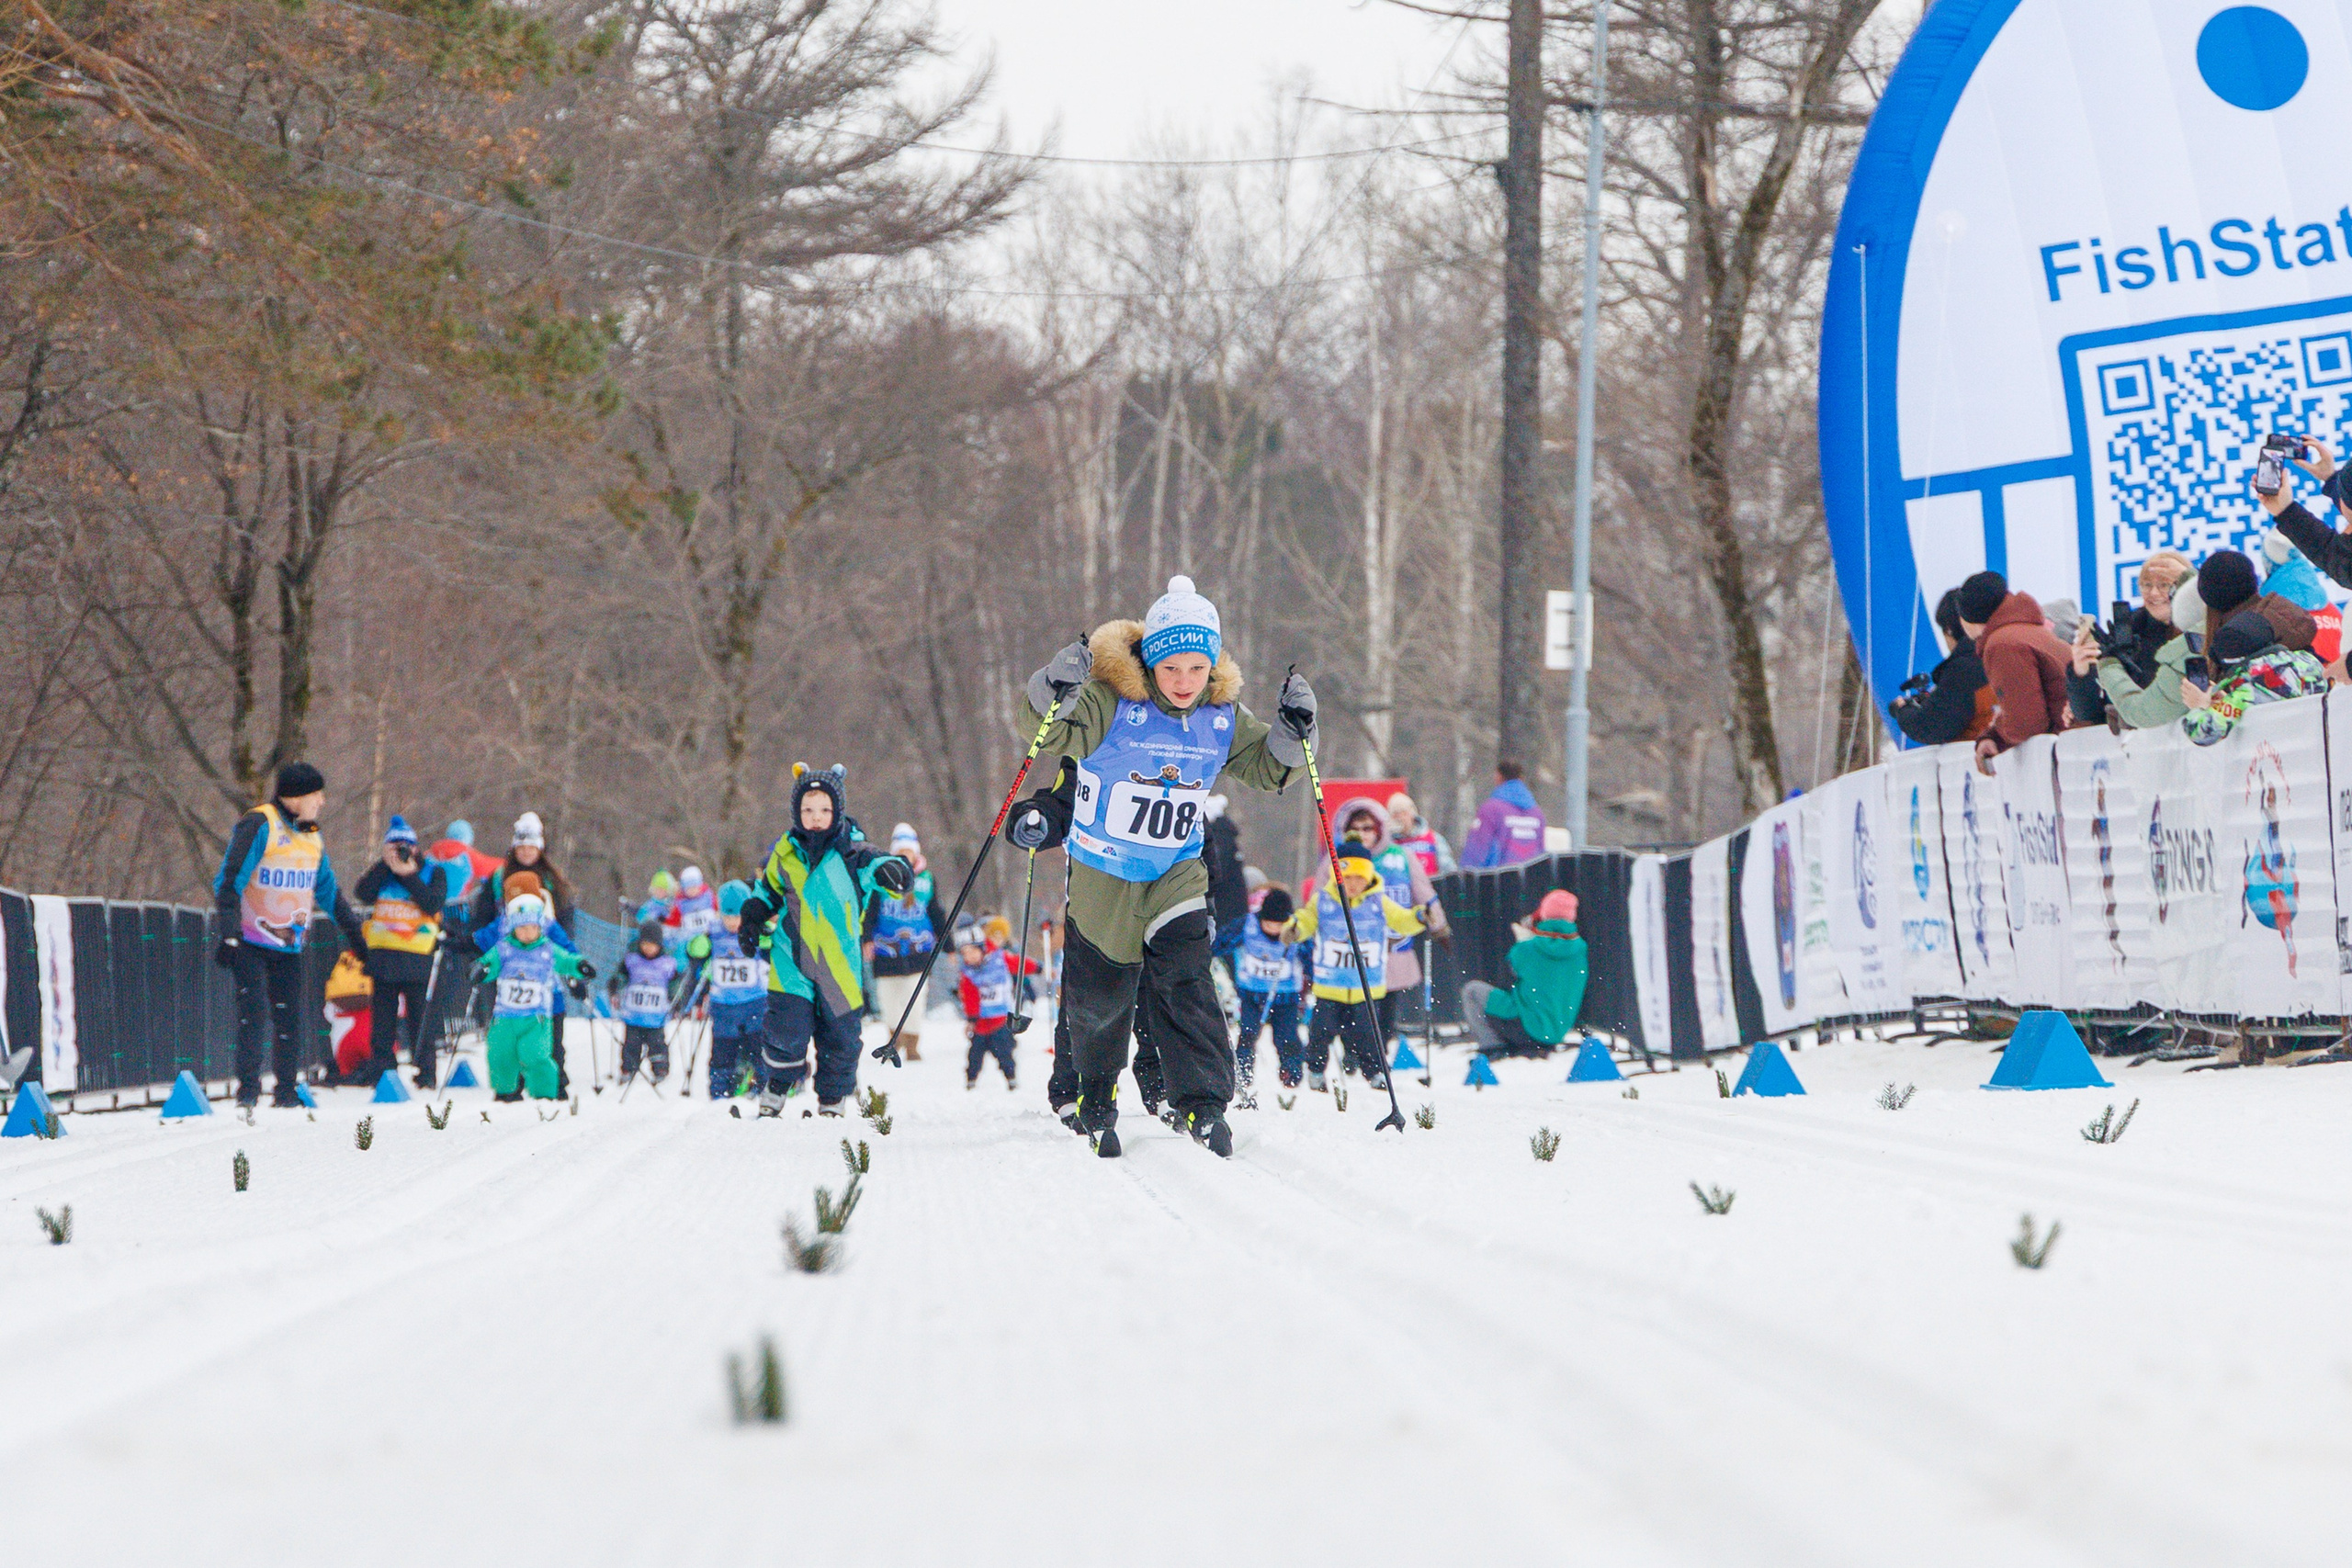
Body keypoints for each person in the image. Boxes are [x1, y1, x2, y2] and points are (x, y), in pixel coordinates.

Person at [1008, 575, 1316, 1159]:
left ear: (1212, 666)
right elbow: (1043, 732)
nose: (1184, 682)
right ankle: (1093, 1096)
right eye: (1171, 668)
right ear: (1150, 659)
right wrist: (1054, 687)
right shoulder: (1110, 701)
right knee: (1103, 992)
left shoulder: (1221, 716)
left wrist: (1296, 731)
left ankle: (1202, 1099)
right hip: (1104, 872)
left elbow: (1270, 768)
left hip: (1176, 869)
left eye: (1197, 669)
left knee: (1186, 975)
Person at [736, 765, 911, 1117]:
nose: (816, 819)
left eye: (824, 811)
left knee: (841, 1039)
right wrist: (752, 914)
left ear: (838, 812)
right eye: (808, 811)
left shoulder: (855, 853)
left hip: (839, 964)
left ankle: (832, 1100)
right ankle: (776, 1087)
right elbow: (768, 890)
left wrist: (897, 871)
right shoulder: (785, 853)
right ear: (797, 813)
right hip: (792, 959)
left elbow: (883, 866)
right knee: (787, 1032)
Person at [212, 762, 367, 1108]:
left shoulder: (311, 835)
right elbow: (229, 879)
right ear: (296, 797)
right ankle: (248, 1093)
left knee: (289, 1017)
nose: (322, 802)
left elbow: (328, 891)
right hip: (250, 940)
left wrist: (358, 938)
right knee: (252, 1014)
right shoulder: (260, 823)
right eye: (317, 794)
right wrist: (229, 932)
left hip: (288, 945)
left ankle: (286, 1091)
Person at [1285, 841, 1423, 1090]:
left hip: (1366, 987)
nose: (1353, 884)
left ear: (1369, 877)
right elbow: (1306, 920)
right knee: (1321, 1032)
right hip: (1330, 986)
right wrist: (1294, 928)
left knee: (1368, 1036)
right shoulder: (1324, 901)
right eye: (1347, 878)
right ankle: (1316, 1070)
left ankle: (1375, 1072)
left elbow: (1402, 921)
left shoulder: (1378, 902)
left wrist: (1418, 917)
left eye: (1360, 878)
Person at [1327, 795, 1446, 1057]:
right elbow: (1318, 897)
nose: (1362, 834)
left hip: (1392, 947)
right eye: (1355, 829)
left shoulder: (1400, 856)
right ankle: (1354, 1053)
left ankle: (1379, 1055)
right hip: (1350, 951)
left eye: (1367, 828)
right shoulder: (1336, 858)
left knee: (1386, 1007)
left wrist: (1438, 924)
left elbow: (1424, 892)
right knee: (1351, 1007)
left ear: (1379, 828)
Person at [469, 813, 580, 1096]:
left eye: (531, 846)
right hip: (508, 961)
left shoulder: (553, 881)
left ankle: (554, 1081)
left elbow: (564, 922)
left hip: (543, 959)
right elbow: (484, 919)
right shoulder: (498, 878)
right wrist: (477, 950)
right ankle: (511, 1082)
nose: (526, 851)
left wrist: (572, 961)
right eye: (522, 846)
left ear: (540, 848)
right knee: (509, 1024)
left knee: (549, 1020)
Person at [354, 815, 449, 1089]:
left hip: (417, 957)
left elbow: (432, 903)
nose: (402, 852)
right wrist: (385, 865)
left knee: (420, 1018)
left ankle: (426, 1072)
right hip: (384, 957)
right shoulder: (382, 873)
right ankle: (383, 1071)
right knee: (382, 1020)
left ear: (417, 848)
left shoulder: (433, 872)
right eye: (395, 847)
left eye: (406, 846)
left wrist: (408, 876)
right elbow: (363, 893)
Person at [474, 891, 592, 1100]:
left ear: (539, 927)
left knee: (536, 1055)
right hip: (504, 1017)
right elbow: (489, 963)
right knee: (500, 1055)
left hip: (535, 1018)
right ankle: (505, 1091)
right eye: (522, 928)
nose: (527, 932)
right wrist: (480, 969)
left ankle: (545, 1094)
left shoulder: (547, 949)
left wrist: (580, 966)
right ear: (513, 928)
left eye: (532, 927)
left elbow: (566, 960)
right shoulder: (504, 949)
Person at [1957, 571, 2072, 769]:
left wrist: (1997, 739)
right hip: (2077, 738)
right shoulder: (2028, 631)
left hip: (2066, 753)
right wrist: (1993, 735)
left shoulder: (2002, 644)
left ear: (1967, 618)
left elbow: (2026, 721)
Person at [2068, 551, 2193, 731]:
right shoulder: (2123, 635)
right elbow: (2090, 715)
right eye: (2146, 585)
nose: (2153, 593)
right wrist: (2081, 674)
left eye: (2164, 585)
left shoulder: (2204, 628)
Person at [1462, 889, 1589, 1058]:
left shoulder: (1528, 948)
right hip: (1556, 1031)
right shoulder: (1580, 950)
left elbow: (1509, 973)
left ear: (1543, 913)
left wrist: (1525, 938)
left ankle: (1492, 1047)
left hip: (1525, 1026)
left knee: (1472, 991)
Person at [2182, 609, 2327, 746]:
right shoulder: (2308, 662)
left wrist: (2199, 705)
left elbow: (2203, 733)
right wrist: (2228, 699)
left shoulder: (2251, 688)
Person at [867, 823, 947, 1063]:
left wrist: (948, 944)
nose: (905, 855)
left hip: (918, 951)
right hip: (886, 951)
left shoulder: (928, 879)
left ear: (916, 852)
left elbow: (937, 912)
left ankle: (912, 1044)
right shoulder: (881, 878)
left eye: (908, 850)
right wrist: (866, 939)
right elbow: (870, 911)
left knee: (916, 997)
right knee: (888, 998)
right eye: (900, 850)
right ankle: (894, 1038)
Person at [1224, 886, 1305, 1092]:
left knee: (1286, 1037)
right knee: (1248, 1033)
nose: (1274, 929)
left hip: (1285, 997)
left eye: (1279, 925)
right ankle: (1242, 1072)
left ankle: (1291, 1073)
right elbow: (1225, 939)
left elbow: (1310, 955)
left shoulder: (1297, 930)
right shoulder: (1247, 925)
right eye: (1268, 924)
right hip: (1252, 994)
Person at [1891, 591, 1995, 745]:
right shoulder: (2001, 652)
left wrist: (1903, 710)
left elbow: (1930, 727)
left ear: (1949, 630)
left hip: (1983, 756)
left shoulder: (1964, 670)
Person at [707, 881, 771, 1100]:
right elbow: (693, 948)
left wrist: (768, 938)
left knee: (759, 1049)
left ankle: (765, 1088)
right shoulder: (713, 933)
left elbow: (772, 945)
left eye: (738, 917)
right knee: (723, 1052)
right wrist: (697, 948)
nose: (733, 923)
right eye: (728, 917)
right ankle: (719, 1092)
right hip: (723, 1006)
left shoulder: (756, 930)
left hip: (754, 1002)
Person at [954, 918, 1035, 1090]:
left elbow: (1018, 964)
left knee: (1005, 1053)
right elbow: (969, 997)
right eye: (965, 953)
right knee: (974, 1055)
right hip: (980, 1023)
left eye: (972, 952)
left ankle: (1011, 1077)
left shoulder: (999, 959)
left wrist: (1037, 967)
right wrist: (972, 1019)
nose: (969, 957)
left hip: (1001, 1019)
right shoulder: (968, 973)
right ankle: (971, 1079)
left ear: (982, 949)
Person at [610, 919, 680, 1084]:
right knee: (631, 1044)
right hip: (634, 1014)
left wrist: (677, 1000)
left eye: (653, 945)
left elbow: (675, 984)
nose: (649, 948)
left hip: (656, 1016)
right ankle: (628, 1068)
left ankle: (660, 1068)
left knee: (657, 1044)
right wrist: (615, 987)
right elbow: (620, 977)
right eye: (646, 944)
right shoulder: (631, 960)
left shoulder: (667, 963)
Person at [1462, 761, 1547, 866]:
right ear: (1521, 778)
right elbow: (1541, 853)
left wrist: (1466, 876)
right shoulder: (1537, 813)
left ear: (1498, 776)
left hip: (1499, 879)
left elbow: (1476, 851)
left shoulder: (1491, 809)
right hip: (1531, 879)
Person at [1386, 793, 1456, 879]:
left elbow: (1449, 871)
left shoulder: (1433, 839)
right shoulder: (1387, 843)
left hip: (1431, 887)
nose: (1400, 818)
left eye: (1404, 813)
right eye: (1395, 814)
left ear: (1412, 814)